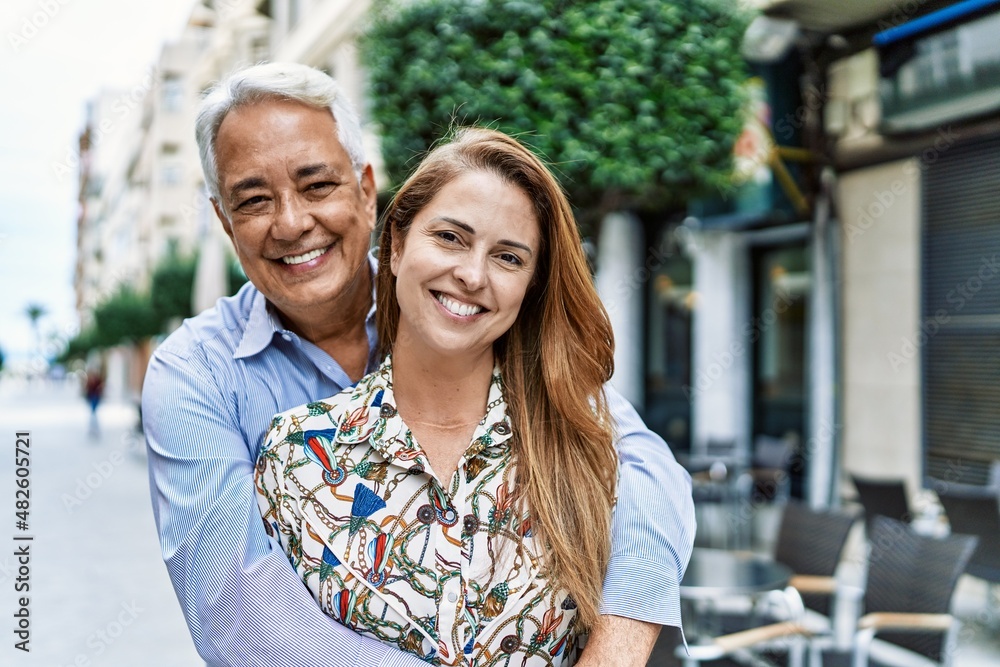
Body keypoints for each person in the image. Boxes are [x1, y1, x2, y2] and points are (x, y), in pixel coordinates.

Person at [142, 62, 694, 667]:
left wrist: (617, 642)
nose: (294, 222)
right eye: (253, 200)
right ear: (223, 220)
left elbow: (637, 459)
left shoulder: (459, 310)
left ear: (366, 189)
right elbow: (241, 621)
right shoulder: (202, 378)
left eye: (317, 185)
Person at [257, 127, 619, 665]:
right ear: (397, 245)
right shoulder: (296, 455)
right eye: (450, 237)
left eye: (509, 258)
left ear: (530, 287)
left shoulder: (581, 443)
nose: (471, 274)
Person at [84, 365, 105, 437]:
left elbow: (101, 387)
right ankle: (92, 428)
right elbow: (87, 389)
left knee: (93, 412)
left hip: (96, 397)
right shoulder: (89, 380)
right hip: (92, 397)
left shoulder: (97, 380)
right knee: (93, 412)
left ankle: (94, 428)